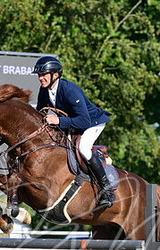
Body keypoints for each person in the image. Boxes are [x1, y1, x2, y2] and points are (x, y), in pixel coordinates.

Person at [32, 56, 115, 209]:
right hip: (73, 123)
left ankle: (107, 189)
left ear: (55, 75)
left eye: (43, 74)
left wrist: (58, 121)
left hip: (92, 123)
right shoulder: (44, 90)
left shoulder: (70, 90)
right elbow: (40, 113)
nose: (40, 78)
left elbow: (84, 121)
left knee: (83, 148)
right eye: (39, 75)